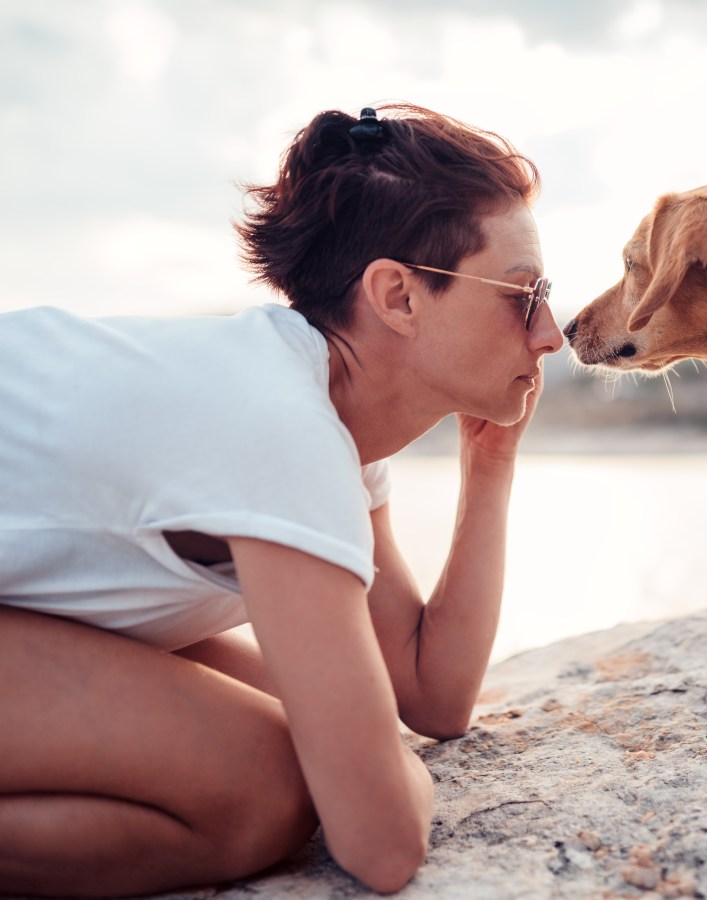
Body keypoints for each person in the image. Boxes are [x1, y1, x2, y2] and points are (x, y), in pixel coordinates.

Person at [0, 103, 563, 896]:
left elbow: (430, 692)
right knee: (264, 788)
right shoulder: (278, 427)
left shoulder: (318, 420)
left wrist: (491, 463)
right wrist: (382, 771)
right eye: (522, 293)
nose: (551, 334)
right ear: (398, 296)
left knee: (290, 734)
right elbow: (384, 846)